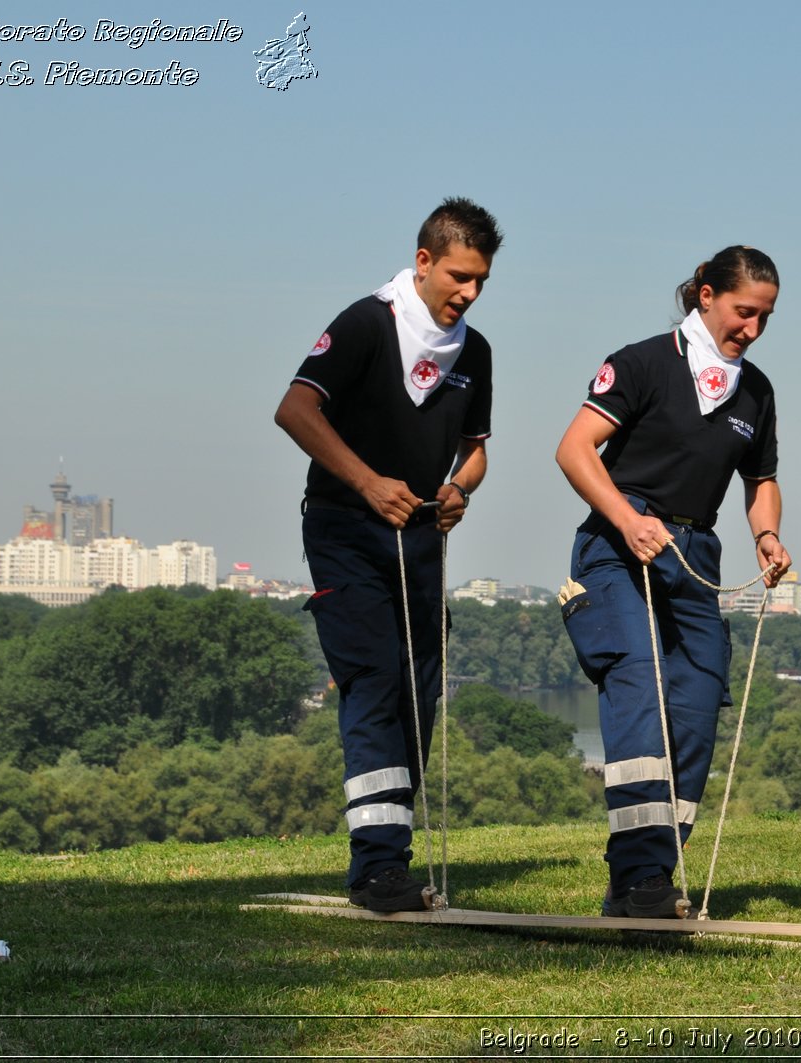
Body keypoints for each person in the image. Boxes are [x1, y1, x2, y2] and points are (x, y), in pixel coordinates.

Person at [273, 197, 503, 912]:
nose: (467, 293)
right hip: (345, 528)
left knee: (418, 692)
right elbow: (295, 409)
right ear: (424, 261)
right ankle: (377, 868)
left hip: (422, 538)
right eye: (458, 276)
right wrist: (368, 482)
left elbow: (475, 454)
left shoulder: (478, 351)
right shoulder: (366, 322)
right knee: (373, 681)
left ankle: (391, 856)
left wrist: (459, 488)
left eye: (482, 283)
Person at [556, 246, 792, 918]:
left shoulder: (758, 390)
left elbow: (761, 481)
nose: (752, 328)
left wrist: (767, 535)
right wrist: (629, 521)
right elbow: (574, 449)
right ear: (708, 295)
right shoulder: (642, 362)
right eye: (745, 311)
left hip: (697, 554)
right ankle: (637, 878)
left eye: (765, 318)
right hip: (617, 544)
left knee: (695, 701)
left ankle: (653, 869)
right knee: (637, 682)